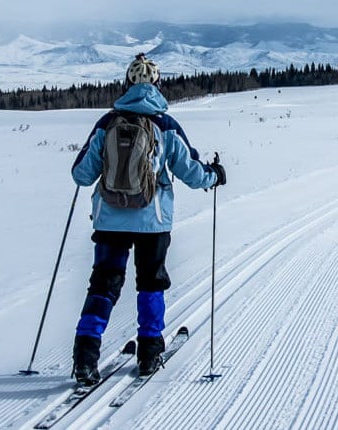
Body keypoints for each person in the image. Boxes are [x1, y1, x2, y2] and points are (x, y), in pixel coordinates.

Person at [69, 53, 227, 385]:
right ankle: (149, 351)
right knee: (151, 283)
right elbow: (192, 172)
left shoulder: (107, 123)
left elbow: (82, 175)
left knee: (103, 284)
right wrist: (215, 176)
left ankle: (85, 355)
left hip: (109, 220)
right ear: (157, 85)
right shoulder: (165, 125)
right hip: (152, 222)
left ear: (126, 84)